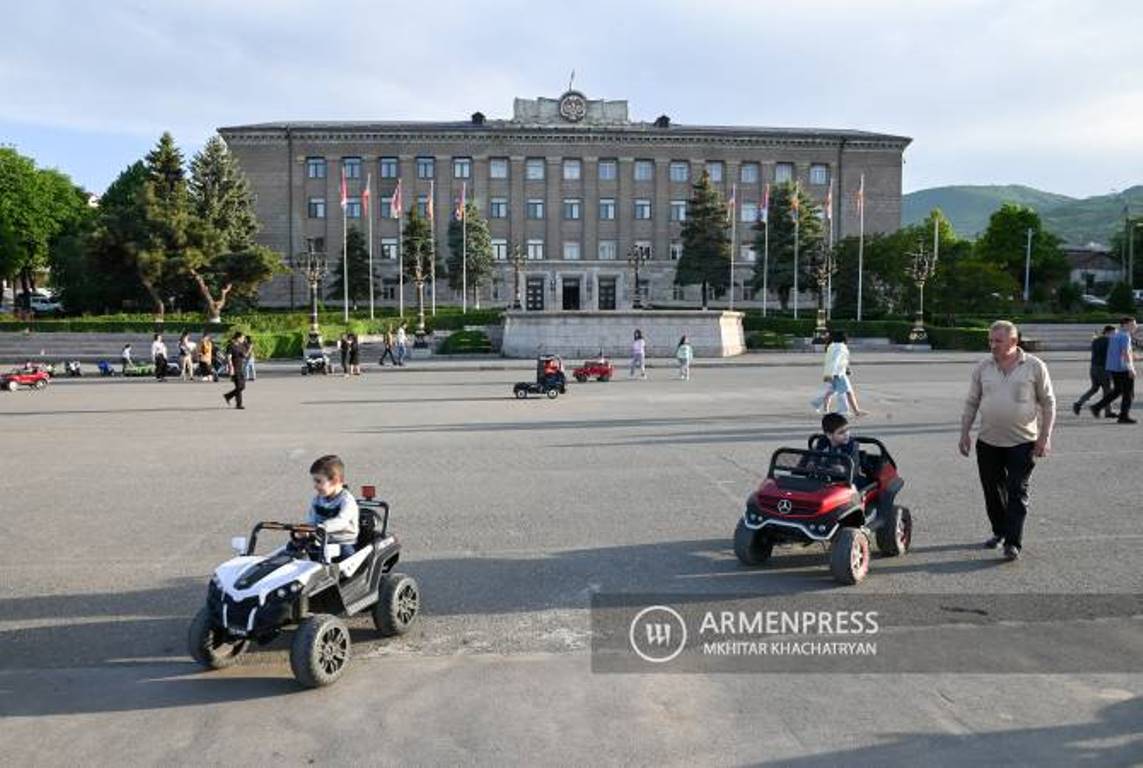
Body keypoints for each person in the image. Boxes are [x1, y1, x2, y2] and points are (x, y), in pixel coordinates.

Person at [959, 320, 1056, 561]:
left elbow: (1048, 403)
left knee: (1017, 490)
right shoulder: (983, 367)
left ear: (1014, 341)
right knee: (992, 491)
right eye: (990, 341)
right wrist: (964, 433)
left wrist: (1045, 437)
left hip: (1022, 441)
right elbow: (972, 401)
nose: (992, 345)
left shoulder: (1034, 366)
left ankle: (1013, 542)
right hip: (988, 440)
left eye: (998, 341)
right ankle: (999, 531)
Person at [298, 454, 359, 561]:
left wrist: (321, 527)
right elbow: (312, 519)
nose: (315, 486)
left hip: (342, 542)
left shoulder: (347, 500)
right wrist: (306, 529)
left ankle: (341, 576)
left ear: (335, 480)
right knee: (294, 547)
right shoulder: (318, 499)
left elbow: (341, 521)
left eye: (318, 481)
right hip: (321, 539)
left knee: (347, 556)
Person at [1089, 316, 1137, 425]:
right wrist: (1131, 368)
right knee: (1128, 393)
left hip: (1113, 368)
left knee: (1117, 390)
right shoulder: (1125, 336)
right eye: (1133, 324)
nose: (1135, 326)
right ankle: (1124, 416)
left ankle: (1097, 407)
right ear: (1125, 325)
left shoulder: (1115, 335)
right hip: (1123, 368)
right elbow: (1125, 352)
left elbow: (1116, 352)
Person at [811, 331, 865, 416]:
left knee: (830, 391)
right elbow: (836, 361)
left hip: (832, 372)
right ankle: (851, 411)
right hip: (838, 373)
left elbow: (834, 361)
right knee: (847, 391)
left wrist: (845, 369)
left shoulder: (831, 346)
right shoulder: (841, 347)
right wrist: (833, 373)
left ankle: (821, 406)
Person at [809, 412, 864, 485]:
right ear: (829, 435)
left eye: (847, 430)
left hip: (847, 482)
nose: (846, 434)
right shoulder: (822, 443)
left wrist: (844, 470)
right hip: (824, 479)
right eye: (841, 433)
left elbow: (854, 470)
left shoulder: (852, 446)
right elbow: (814, 458)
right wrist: (812, 463)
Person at [1072, 325, 1115, 417]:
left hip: (1094, 368)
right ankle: (1108, 412)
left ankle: (1078, 403)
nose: (1115, 335)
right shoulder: (1110, 341)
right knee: (1107, 390)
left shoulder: (1095, 341)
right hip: (1104, 369)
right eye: (1114, 333)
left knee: (1094, 388)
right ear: (1109, 332)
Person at [223, 332, 250, 409]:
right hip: (234, 368)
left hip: (240, 368)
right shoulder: (231, 346)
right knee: (239, 386)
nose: (243, 339)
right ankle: (238, 404)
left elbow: (244, 355)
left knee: (242, 386)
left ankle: (228, 396)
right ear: (238, 338)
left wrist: (249, 349)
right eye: (242, 338)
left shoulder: (241, 346)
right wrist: (230, 367)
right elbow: (228, 357)